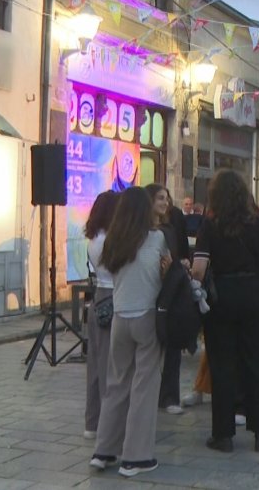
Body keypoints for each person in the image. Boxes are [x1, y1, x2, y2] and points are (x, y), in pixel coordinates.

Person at [190, 170, 259, 454]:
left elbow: (199, 269)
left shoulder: (209, 226)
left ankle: (223, 435)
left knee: (222, 364)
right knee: (257, 363)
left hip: (222, 298)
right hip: (255, 294)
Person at [89, 187, 171, 477]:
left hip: (120, 318)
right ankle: (136, 457)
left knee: (116, 385)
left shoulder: (112, 242)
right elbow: (164, 274)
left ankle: (104, 450)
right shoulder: (157, 238)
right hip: (146, 316)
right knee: (144, 388)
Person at [145, 184, 188, 416]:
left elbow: (177, 256)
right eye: (160, 198)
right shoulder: (139, 230)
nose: (165, 202)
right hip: (146, 292)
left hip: (168, 291)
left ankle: (170, 396)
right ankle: (149, 393)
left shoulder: (170, 229)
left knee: (171, 345)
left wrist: (177, 266)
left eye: (166, 198)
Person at [83, 190, 120, 441]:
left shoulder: (93, 239)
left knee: (95, 365)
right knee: (110, 366)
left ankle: (92, 422)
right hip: (112, 296)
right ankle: (109, 424)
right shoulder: (111, 241)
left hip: (98, 297)